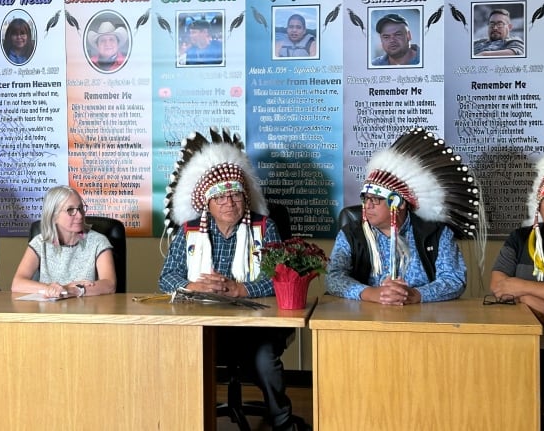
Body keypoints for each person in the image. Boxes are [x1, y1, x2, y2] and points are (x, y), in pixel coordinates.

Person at [158, 127, 307, 431]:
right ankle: (185, 420)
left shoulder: (265, 228)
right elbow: (166, 278)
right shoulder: (190, 231)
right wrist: (193, 286)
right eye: (220, 196)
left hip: (255, 327)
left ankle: (283, 422)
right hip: (202, 324)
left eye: (236, 194)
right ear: (207, 204)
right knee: (173, 355)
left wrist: (239, 288)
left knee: (265, 361)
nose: (229, 202)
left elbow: (281, 279)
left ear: (245, 197)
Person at [326, 128, 485, 305]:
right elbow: (334, 277)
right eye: (365, 199)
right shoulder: (351, 233)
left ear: (400, 203)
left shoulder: (435, 233)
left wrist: (414, 294)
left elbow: (454, 279)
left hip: (424, 318)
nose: (367, 205)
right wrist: (372, 293)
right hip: (367, 315)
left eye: (376, 199)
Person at [490, 134, 544, 419]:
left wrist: (519, 286)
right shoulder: (520, 239)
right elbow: (497, 287)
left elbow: (508, 285)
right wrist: (531, 298)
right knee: (526, 414)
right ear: (539, 207)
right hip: (529, 349)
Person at [11, 185, 115, 297]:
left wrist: (74, 290)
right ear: (53, 216)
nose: (80, 215)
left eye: (80, 208)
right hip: (49, 311)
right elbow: (17, 284)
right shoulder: (40, 242)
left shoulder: (98, 241)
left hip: (86, 310)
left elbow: (109, 285)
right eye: (70, 210)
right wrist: (52, 289)